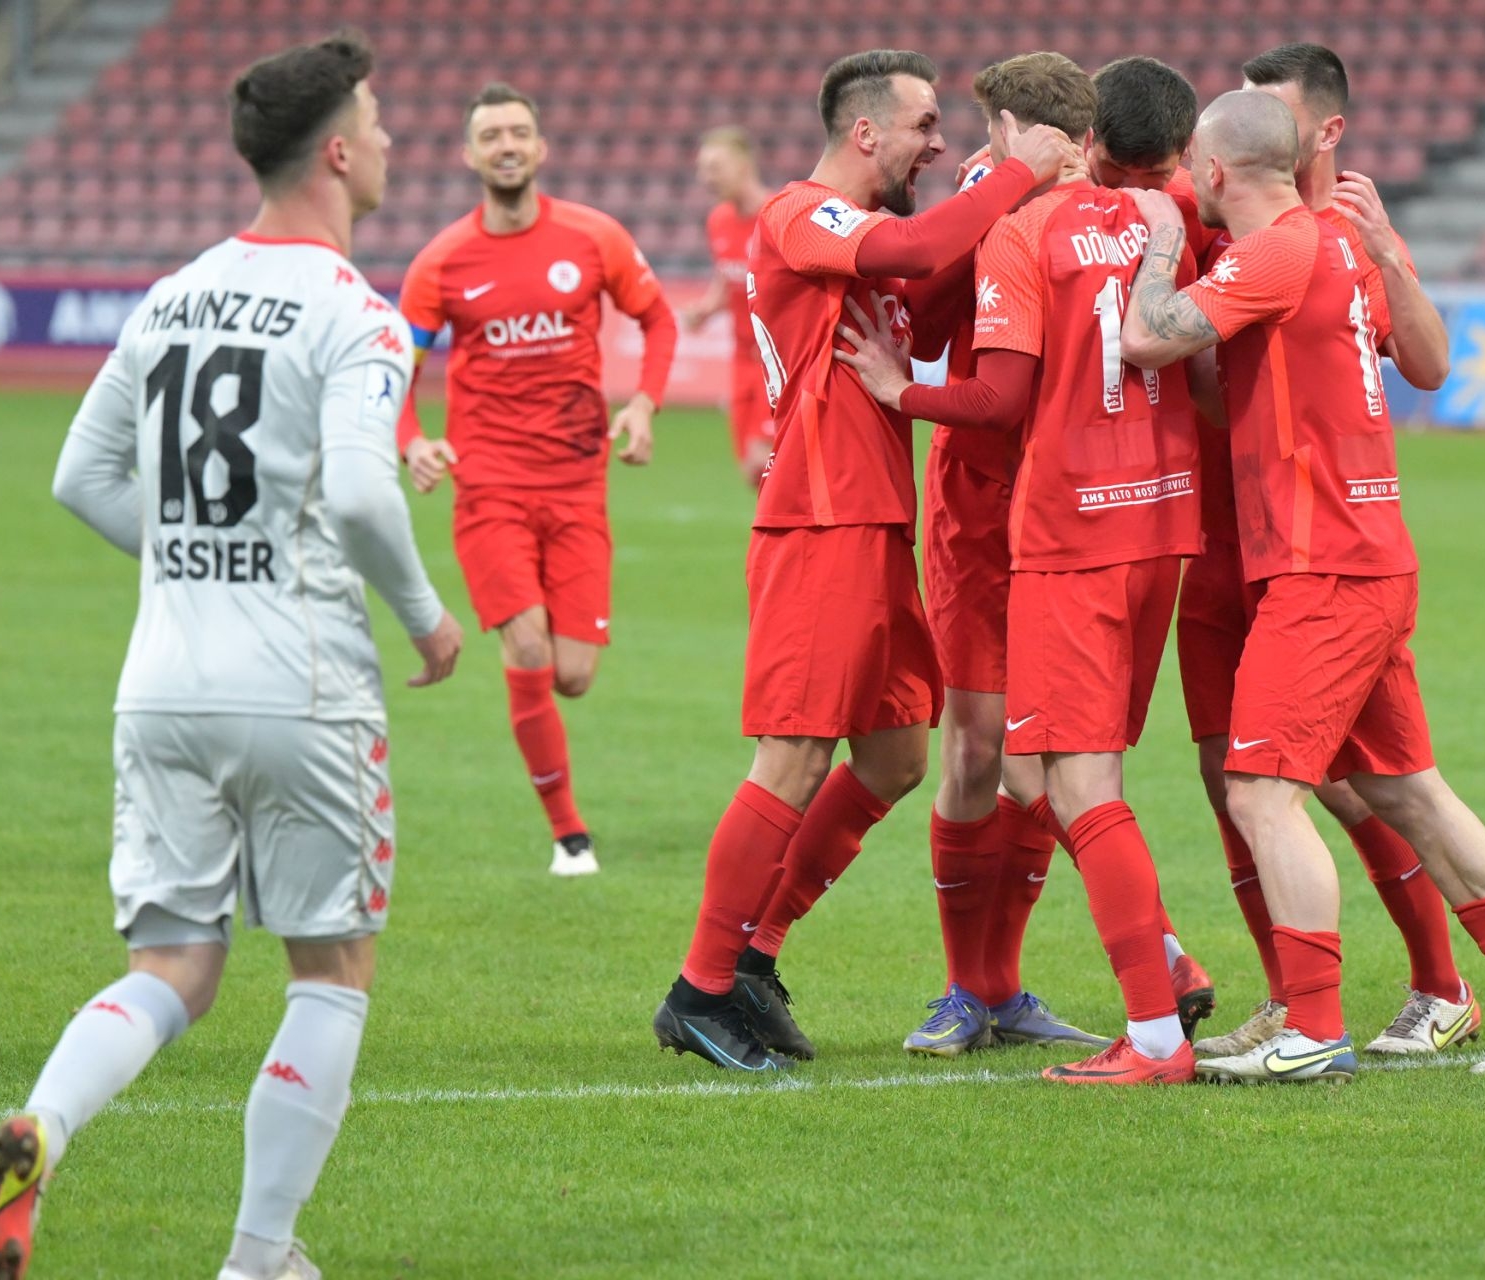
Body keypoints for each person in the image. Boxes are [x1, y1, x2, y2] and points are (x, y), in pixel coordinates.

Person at [0, 32, 463, 1280]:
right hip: (298, 683)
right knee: (331, 968)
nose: (396, 141)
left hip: (162, 683)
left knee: (174, 965)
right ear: (339, 152)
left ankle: (44, 1123)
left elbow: (84, 476)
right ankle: (257, 1259)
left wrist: (189, 560)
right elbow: (357, 493)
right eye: (383, 121)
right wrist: (424, 615)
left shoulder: (173, 291)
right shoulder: (356, 310)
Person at [1121, 90, 1485, 1082]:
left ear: (1212, 173)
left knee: (1261, 789)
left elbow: (1149, 338)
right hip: (1362, 551)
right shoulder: (1330, 244)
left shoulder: (1276, 249)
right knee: (1403, 787)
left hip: (1321, 562)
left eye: (1193, 169)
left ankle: (1315, 1024)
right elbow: (1229, 386)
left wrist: (1158, 243)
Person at [652, 49, 1080, 1071]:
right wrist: (1014, 168)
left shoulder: (869, 239)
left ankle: (755, 951)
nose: (939, 145)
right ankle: (700, 987)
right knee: (793, 756)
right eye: (926, 126)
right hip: (819, 517)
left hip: (874, 516)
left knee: (893, 756)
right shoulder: (805, 214)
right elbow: (925, 243)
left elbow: (933, 287)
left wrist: (1010, 213)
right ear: (865, 133)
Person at [840, 50, 1206, 1085]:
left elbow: (965, 360)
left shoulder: (1080, 214)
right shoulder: (1120, 215)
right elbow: (935, 312)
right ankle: (982, 982)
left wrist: (893, 389)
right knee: (982, 746)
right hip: (997, 510)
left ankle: (1051, 978)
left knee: (1047, 761)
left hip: (1060, 511)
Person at [1170, 44, 1473, 1062]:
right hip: (1223, 545)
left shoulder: (1341, 238)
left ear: (1325, 134)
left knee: (1333, 783)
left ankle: (1429, 982)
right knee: (1236, 776)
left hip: (1317, 547)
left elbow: (1428, 364)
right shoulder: (1221, 229)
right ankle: (1288, 996)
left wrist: (1390, 254)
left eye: (1279, 115)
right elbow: (1217, 394)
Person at [396, 82, 677, 877]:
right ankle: (568, 834)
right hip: (488, 488)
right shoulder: (442, 262)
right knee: (525, 645)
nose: (507, 145)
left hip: (579, 483)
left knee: (573, 675)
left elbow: (657, 319)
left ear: (540, 148)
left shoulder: (594, 237)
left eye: (519, 131)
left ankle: (561, 799)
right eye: (492, 136)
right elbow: (397, 370)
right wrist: (412, 440)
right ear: (471, 154)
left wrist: (646, 405)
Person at [682, 126, 775, 486]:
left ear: (743, 165)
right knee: (754, 473)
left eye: (715, 168)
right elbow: (728, 277)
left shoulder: (776, 215)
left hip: (776, 360)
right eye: (703, 169)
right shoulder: (718, 220)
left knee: (764, 462)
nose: (706, 179)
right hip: (740, 360)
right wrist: (706, 309)